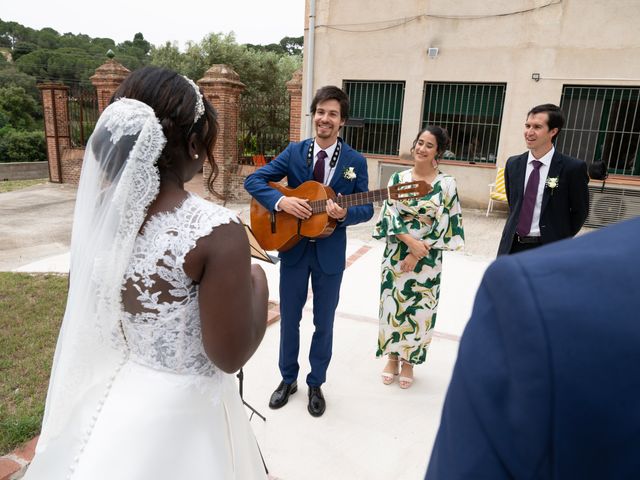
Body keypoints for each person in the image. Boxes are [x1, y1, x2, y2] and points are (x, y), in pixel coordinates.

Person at [23, 66, 269, 479]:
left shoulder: (102, 215)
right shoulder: (215, 230)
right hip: (187, 415)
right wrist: (259, 286)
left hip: (123, 395)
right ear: (193, 145)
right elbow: (229, 356)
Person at [425, 216, 640, 479]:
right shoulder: (515, 171)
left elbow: (577, 210)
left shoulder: (531, 297)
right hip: (517, 244)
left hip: (548, 245)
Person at [244, 85, 373, 417]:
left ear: (341, 121)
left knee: (324, 322)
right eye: (320, 112)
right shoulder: (294, 152)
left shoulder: (355, 161)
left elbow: (367, 208)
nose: (324, 119)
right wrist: (281, 200)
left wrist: (345, 214)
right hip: (294, 249)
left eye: (332, 113)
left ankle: (316, 382)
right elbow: (254, 181)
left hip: (330, 253)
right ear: (313, 115)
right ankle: (288, 379)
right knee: (289, 319)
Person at [373, 126, 464, 389]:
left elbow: (448, 221)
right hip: (396, 254)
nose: (421, 149)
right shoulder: (398, 179)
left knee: (420, 310)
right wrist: (410, 244)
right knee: (392, 306)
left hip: (428, 257)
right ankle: (391, 357)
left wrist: (419, 251)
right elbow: (389, 214)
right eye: (419, 143)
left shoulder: (447, 184)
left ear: (439, 151)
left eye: (429, 145)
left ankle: (410, 361)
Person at [497, 104, 589, 255]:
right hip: (512, 247)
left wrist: (560, 238)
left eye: (537, 127)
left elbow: (580, 212)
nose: (529, 132)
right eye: (527, 126)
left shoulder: (572, 168)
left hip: (549, 249)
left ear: (553, 131)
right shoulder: (513, 164)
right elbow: (514, 203)